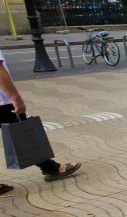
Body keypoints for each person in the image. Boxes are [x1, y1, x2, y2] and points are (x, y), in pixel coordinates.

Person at [0, 50, 81, 193]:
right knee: (24, 134)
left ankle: (50, 167)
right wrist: (15, 97)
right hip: (2, 103)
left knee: (23, 134)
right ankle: (51, 168)